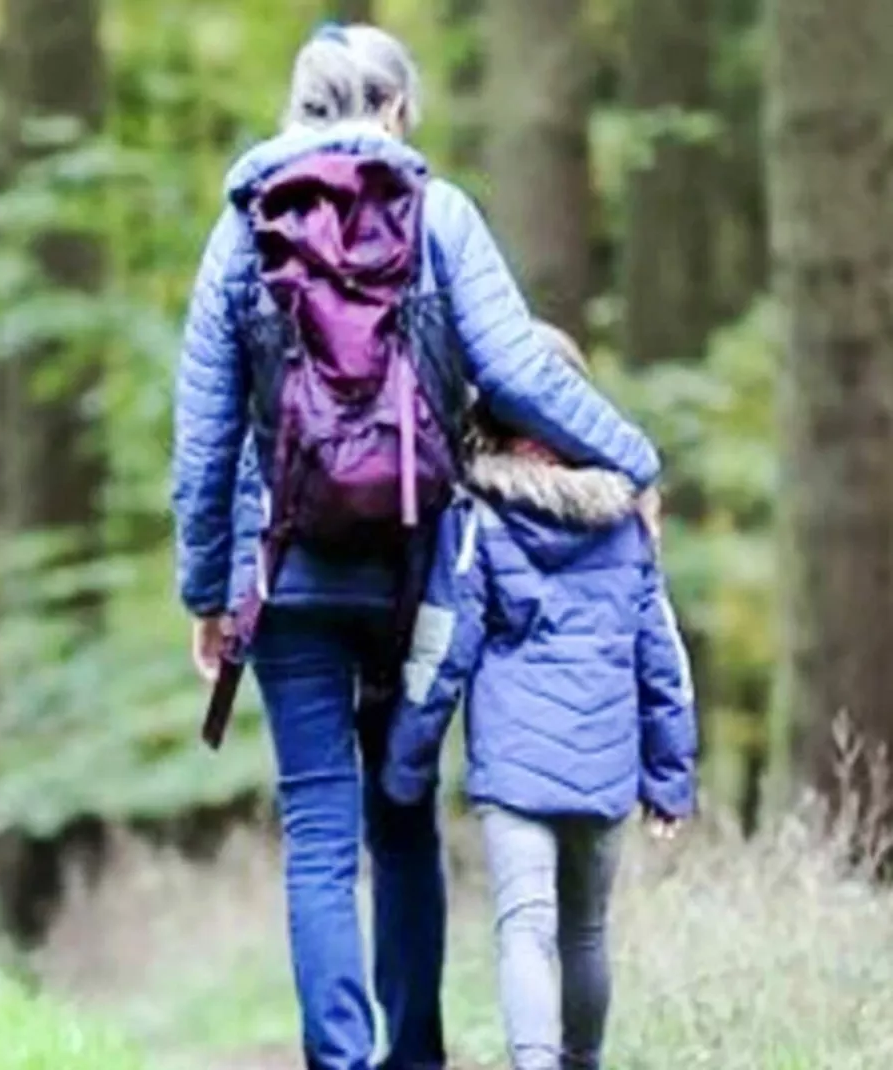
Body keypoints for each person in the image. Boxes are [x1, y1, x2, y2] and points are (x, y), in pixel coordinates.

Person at [170, 23, 662, 1070]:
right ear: (395, 110)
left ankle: (339, 1060)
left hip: (288, 567)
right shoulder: (439, 215)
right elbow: (522, 374)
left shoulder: (240, 230)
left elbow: (204, 428)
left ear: (295, 108)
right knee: (402, 814)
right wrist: (632, 459)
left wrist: (205, 588)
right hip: (415, 568)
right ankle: (418, 1056)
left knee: (316, 830)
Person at [380, 324, 698, 1070]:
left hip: (517, 762)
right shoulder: (625, 520)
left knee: (525, 925)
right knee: (585, 930)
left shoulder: (476, 517)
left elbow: (441, 647)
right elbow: (663, 658)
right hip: (606, 759)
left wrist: (406, 763)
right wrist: (670, 775)